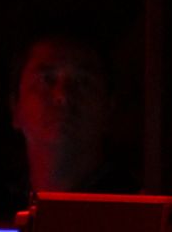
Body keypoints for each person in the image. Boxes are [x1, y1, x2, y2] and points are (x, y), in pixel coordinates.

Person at [9, 34, 136, 198]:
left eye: (83, 81)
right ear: (16, 107)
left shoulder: (140, 207)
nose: (63, 96)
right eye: (47, 79)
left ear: (108, 108)